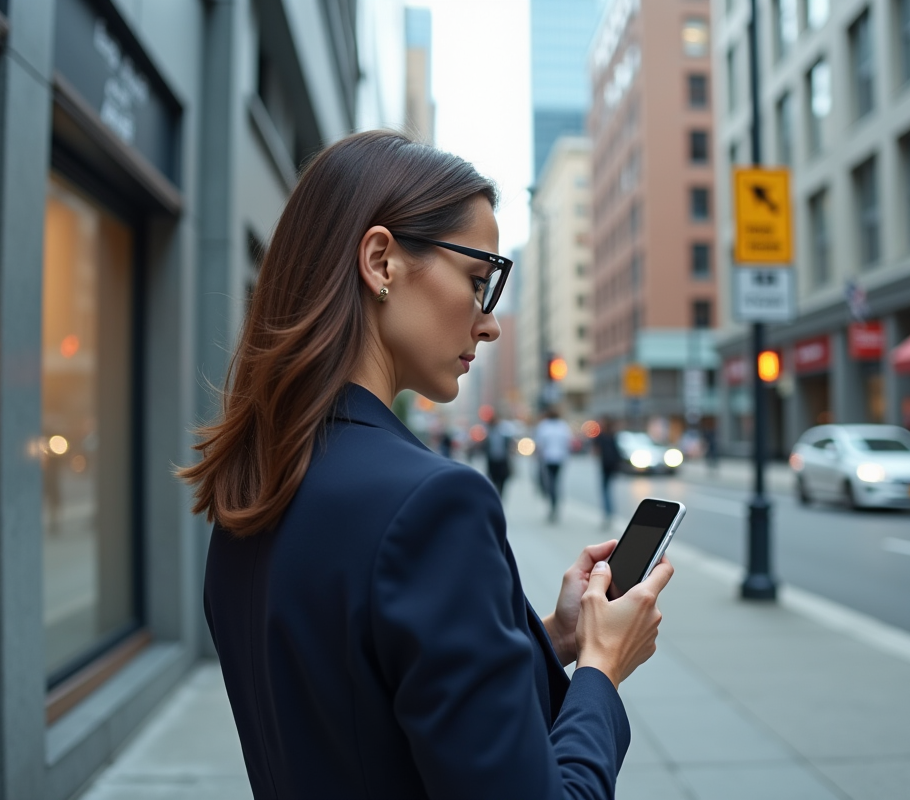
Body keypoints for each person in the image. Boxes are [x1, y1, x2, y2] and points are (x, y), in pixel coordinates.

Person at [180, 131, 672, 800]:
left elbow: (365, 696)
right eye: (478, 281)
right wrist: (599, 670)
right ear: (381, 261)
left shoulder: (258, 483)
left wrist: (550, 637)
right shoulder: (434, 504)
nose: (490, 323)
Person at [535, 407, 573, 523]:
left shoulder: (544, 426)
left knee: (550, 483)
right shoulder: (563, 426)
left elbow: (539, 443)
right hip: (560, 458)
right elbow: (568, 442)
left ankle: (553, 504)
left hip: (548, 459)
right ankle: (555, 503)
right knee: (556, 482)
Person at [593, 418, 622, 528]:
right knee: (609, 490)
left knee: (605, 491)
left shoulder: (601, 437)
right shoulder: (613, 436)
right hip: (612, 466)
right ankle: (610, 513)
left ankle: (607, 514)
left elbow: (596, 450)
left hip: (605, 466)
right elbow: (617, 451)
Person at [485, 411, 514, 499]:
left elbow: (509, 444)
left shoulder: (504, 431)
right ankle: (496, 495)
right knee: (493, 480)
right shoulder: (489, 431)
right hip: (493, 460)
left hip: (502, 460)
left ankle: (500, 496)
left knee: (502, 480)